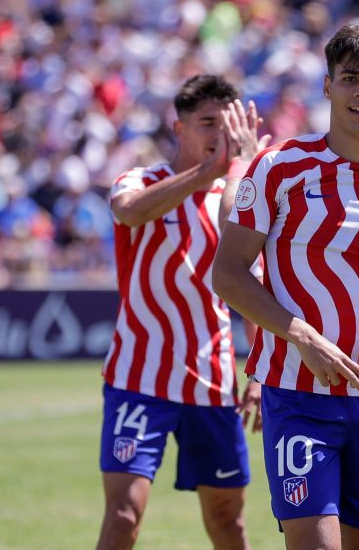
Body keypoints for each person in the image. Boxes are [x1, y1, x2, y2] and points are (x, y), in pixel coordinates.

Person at [212, 20, 359, 550]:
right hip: (297, 394)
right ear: (327, 86)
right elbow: (226, 274)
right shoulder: (277, 169)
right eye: (349, 78)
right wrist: (300, 334)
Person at [97, 74, 269, 550]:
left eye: (229, 123)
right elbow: (129, 212)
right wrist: (208, 173)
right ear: (179, 129)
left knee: (227, 520)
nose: (220, 133)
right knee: (124, 515)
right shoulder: (141, 180)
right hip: (138, 378)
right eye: (208, 122)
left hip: (212, 382)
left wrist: (256, 372)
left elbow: (250, 287)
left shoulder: (237, 200)